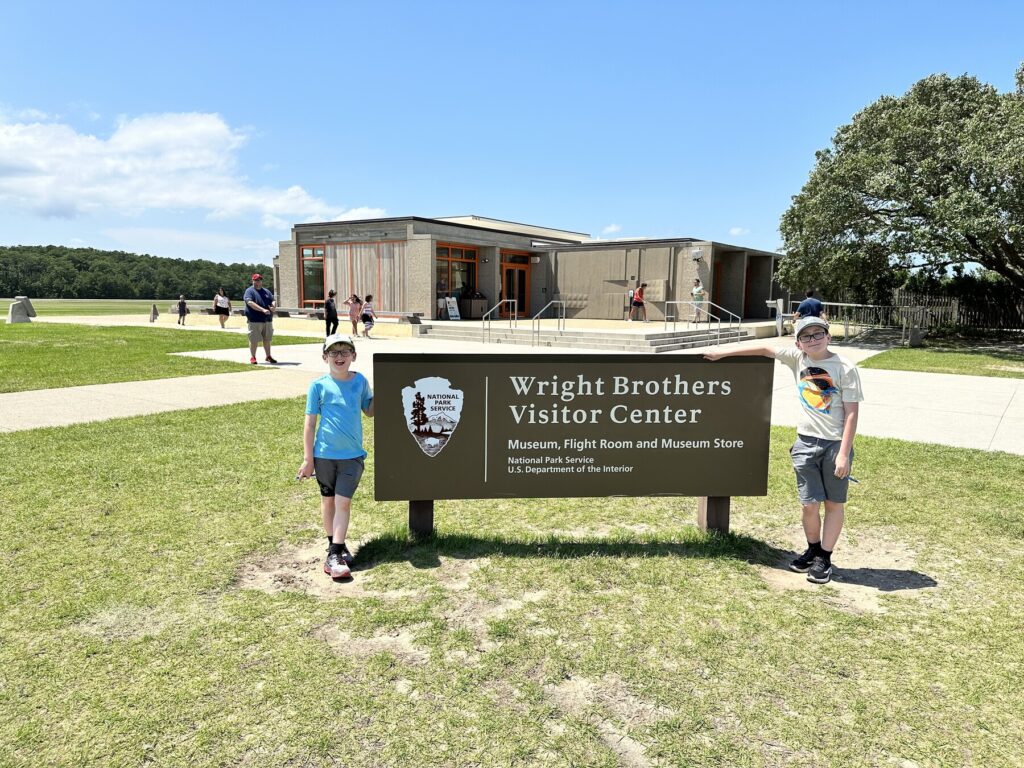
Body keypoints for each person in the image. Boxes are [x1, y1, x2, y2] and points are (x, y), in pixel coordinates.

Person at [703, 317, 863, 585]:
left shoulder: (844, 368)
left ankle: (825, 557)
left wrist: (844, 453)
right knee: (808, 504)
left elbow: (851, 414)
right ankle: (812, 549)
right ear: (798, 343)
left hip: (835, 445)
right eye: (807, 336)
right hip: (805, 443)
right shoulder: (797, 358)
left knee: (833, 504)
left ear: (829, 337)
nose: (813, 340)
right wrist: (722, 352)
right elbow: (765, 349)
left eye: (818, 334)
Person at [296, 334, 374, 580]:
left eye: (345, 352)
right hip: (324, 456)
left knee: (343, 502)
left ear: (353, 356)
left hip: (352, 457)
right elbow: (310, 425)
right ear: (324, 357)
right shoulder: (318, 386)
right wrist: (308, 460)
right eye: (334, 352)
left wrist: (390, 389)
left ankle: (335, 553)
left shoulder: (360, 381)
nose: (339, 357)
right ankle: (335, 548)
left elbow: (370, 411)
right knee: (328, 502)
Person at [243, 273, 277, 364]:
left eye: (259, 280)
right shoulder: (249, 291)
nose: (257, 282)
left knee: (267, 339)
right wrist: (262, 309)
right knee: (254, 340)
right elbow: (249, 302)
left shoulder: (266, 291)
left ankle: (268, 356)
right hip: (254, 320)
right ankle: (253, 357)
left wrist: (273, 306)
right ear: (252, 281)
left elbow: (272, 300)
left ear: (261, 281)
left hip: (267, 320)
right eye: (255, 280)